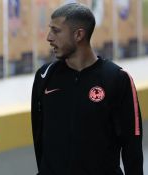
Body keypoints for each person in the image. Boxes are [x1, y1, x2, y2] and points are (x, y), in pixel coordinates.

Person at [31, 3, 143, 175]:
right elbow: (39, 136)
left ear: (78, 35)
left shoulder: (116, 78)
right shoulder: (45, 76)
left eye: (56, 31)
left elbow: (132, 145)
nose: (49, 37)